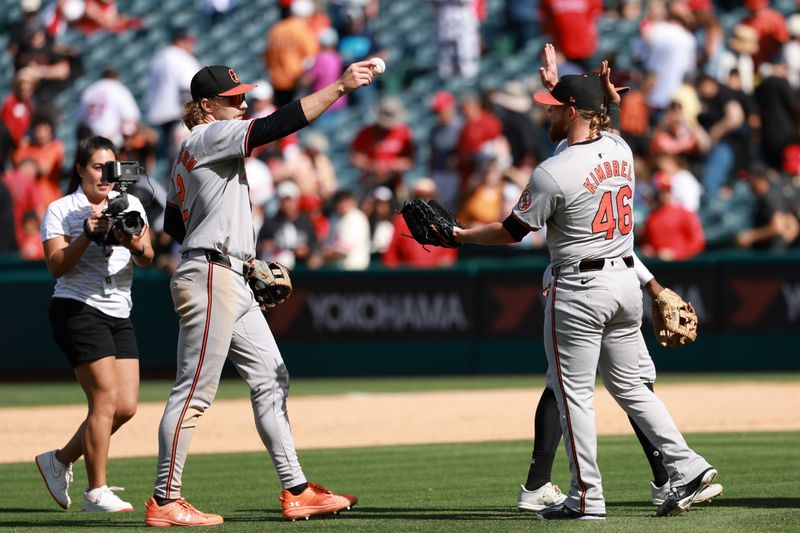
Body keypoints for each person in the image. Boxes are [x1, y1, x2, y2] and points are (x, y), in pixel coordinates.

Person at [450, 50, 718, 519]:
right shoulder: (621, 150)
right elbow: (592, 137)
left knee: (574, 395)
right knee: (633, 388)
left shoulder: (552, 171)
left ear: (572, 112)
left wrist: (462, 236)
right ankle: (687, 467)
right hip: (624, 284)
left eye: (554, 107)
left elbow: (513, 232)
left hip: (578, 289)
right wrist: (578, 93)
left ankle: (587, 497)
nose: (547, 111)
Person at [145, 61, 373, 527]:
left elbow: (172, 223)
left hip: (227, 273)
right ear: (206, 106)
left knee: (272, 377)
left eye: (242, 95)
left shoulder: (188, 150)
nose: (242, 102)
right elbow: (278, 124)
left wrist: (236, 252)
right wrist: (341, 87)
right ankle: (165, 499)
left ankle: (297, 490)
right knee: (194, 393)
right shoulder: (210, 135)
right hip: (211, 275)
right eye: (233, 99)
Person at [517, 255, 723, 512]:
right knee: (578, 382)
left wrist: (651, 285)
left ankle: (666, 478)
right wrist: (653, 285)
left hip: (605, 284)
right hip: (586, 285)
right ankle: (550, 487)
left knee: (623, 380)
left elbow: (617, 244)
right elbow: (605, 244)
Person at [35, 135, 154, 512]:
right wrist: (87, 235)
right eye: (98, 167)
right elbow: (56, 265)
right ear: (80, 169)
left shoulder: (129, 203)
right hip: (77, 306)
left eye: (112, 167)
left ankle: (59, 460)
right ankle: (95, 491)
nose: (107, 175)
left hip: (120, 309)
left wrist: (130, 241)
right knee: (104, 398)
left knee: (127, 405)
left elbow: (148, 256)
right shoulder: (61, 209)